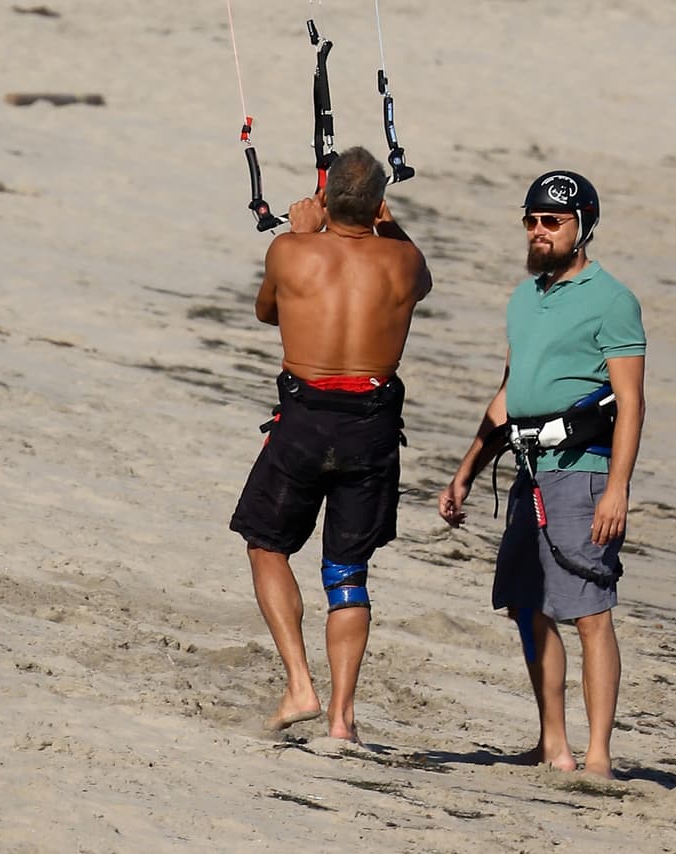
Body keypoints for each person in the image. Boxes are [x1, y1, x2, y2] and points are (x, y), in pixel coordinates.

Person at [438, 170, 646, 778]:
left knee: (590, 613)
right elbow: (508, 393)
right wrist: (466, 470)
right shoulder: (524, 297)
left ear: (583, 227)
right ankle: (553, 744)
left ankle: (599, 756)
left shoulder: (613, 300)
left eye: (552, 221)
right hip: (528, 472)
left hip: (582, 473)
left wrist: (617, 489)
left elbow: (630, 402)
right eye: (531, 220)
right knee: (528, 606)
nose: (538, 231)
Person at [230, 146, 432, 743]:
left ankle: (300, 684)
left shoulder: (290, 251)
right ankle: (342, 718)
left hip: (305, 420)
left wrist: (300, 233)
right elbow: (418, 274)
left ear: (325, 199)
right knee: (348, 571)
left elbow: (269, 311)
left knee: (266, 545)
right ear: (377, 206)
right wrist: (385, 224)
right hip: (370, 426)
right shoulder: (405, 261)